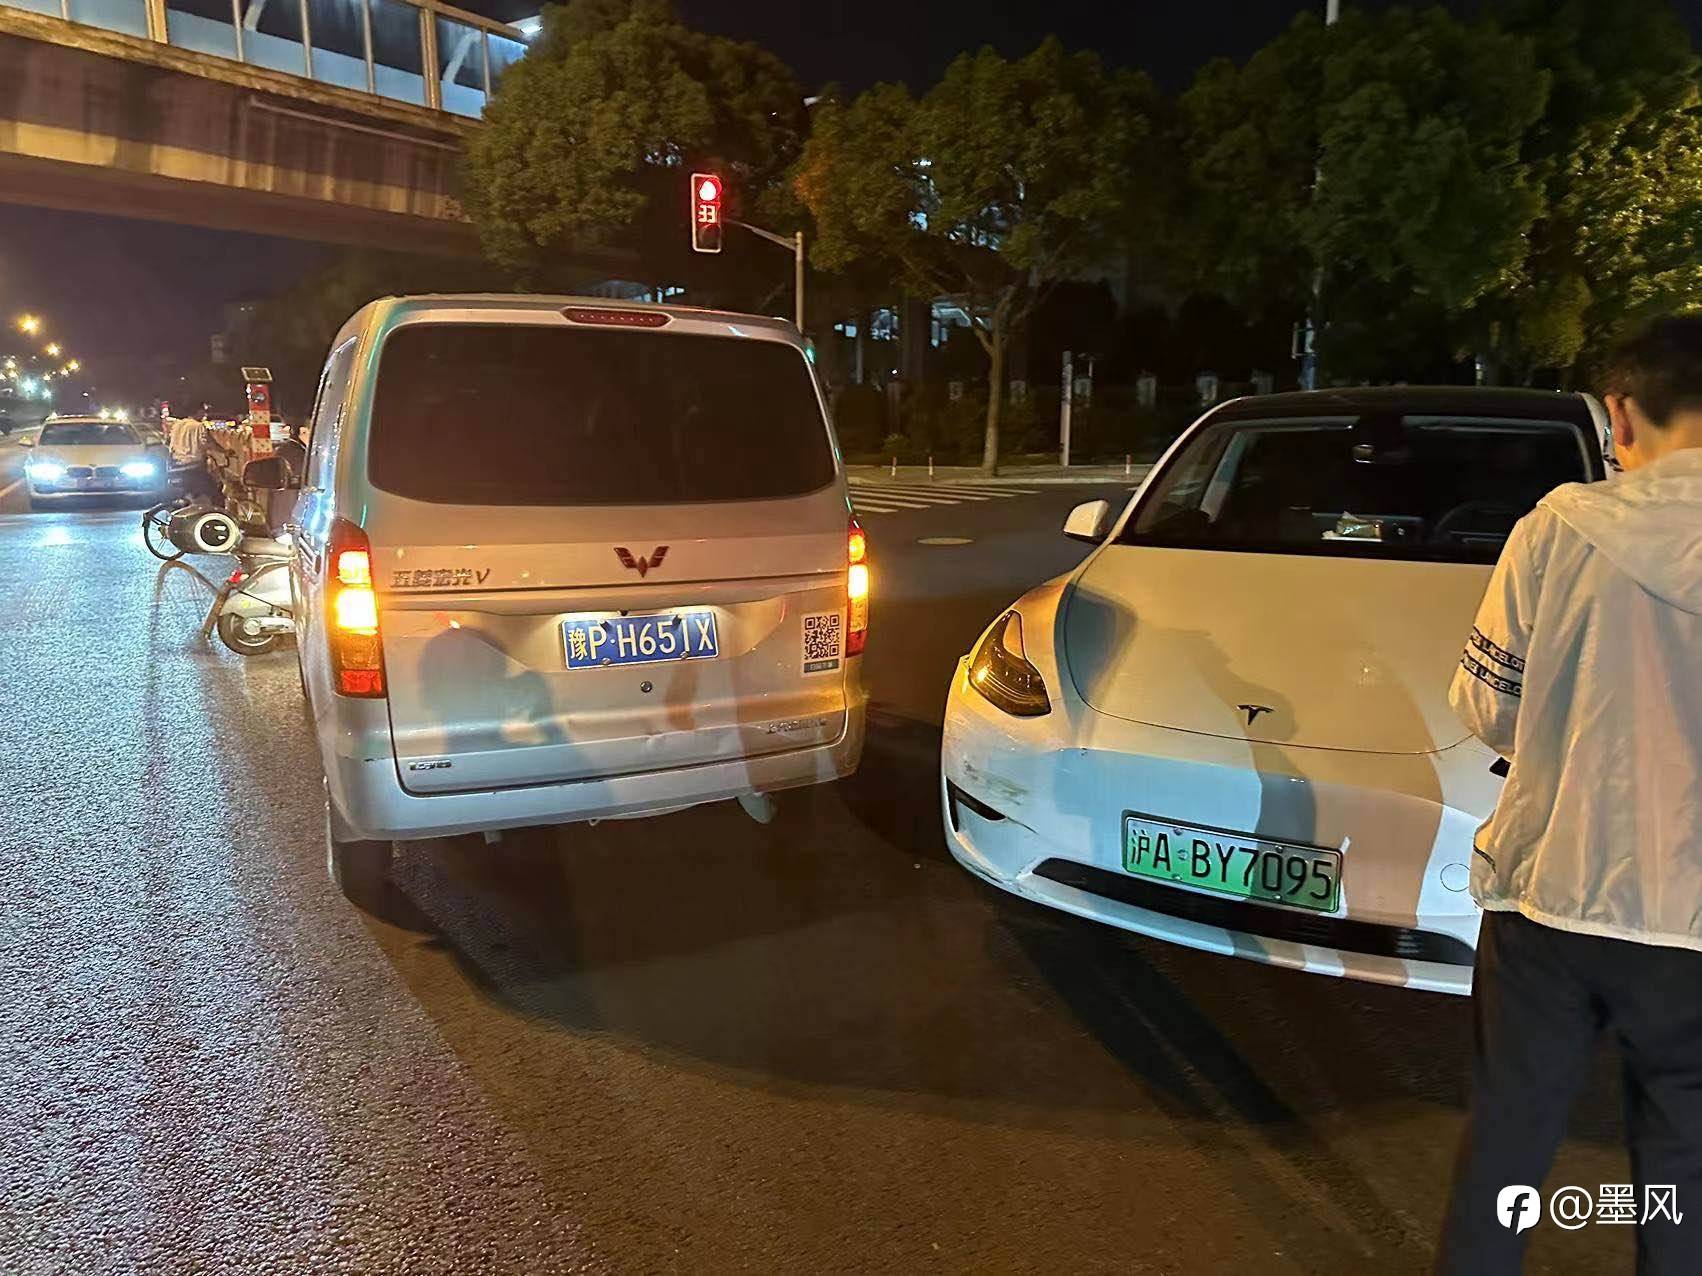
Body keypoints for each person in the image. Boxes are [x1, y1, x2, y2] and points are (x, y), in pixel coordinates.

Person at [1436, 316, 1702, 1274]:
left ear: (1620, 416)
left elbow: (1487, 706)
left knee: (1509, 1144)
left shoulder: (1557, 528)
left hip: (1553, 895)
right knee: (1685, 1169)